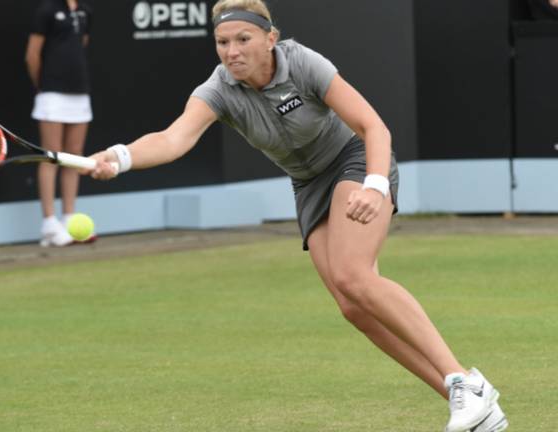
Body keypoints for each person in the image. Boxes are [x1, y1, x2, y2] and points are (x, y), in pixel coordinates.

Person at [87, 1, 508, 431]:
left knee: (353, 276)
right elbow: (173, 138)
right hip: (307, 184)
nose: (232, 51)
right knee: (352, 307)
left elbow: (373, 126)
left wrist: (375, 184)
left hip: (355, 159)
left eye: (243, 39)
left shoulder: (303, 62)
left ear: (270, 38)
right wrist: (120, 158)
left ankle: (465, 381)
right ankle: (473, 407)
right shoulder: (218, 89)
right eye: (222, 42)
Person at [25, 0, 94, 247]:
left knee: (73, 156)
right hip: (51, 92)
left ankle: (69, 219)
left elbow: (80, 45)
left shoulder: (86, 12)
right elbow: (32, 55)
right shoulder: (46, 10)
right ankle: (49, 224)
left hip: (80, 91)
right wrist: (43, 86)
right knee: (51, 156)